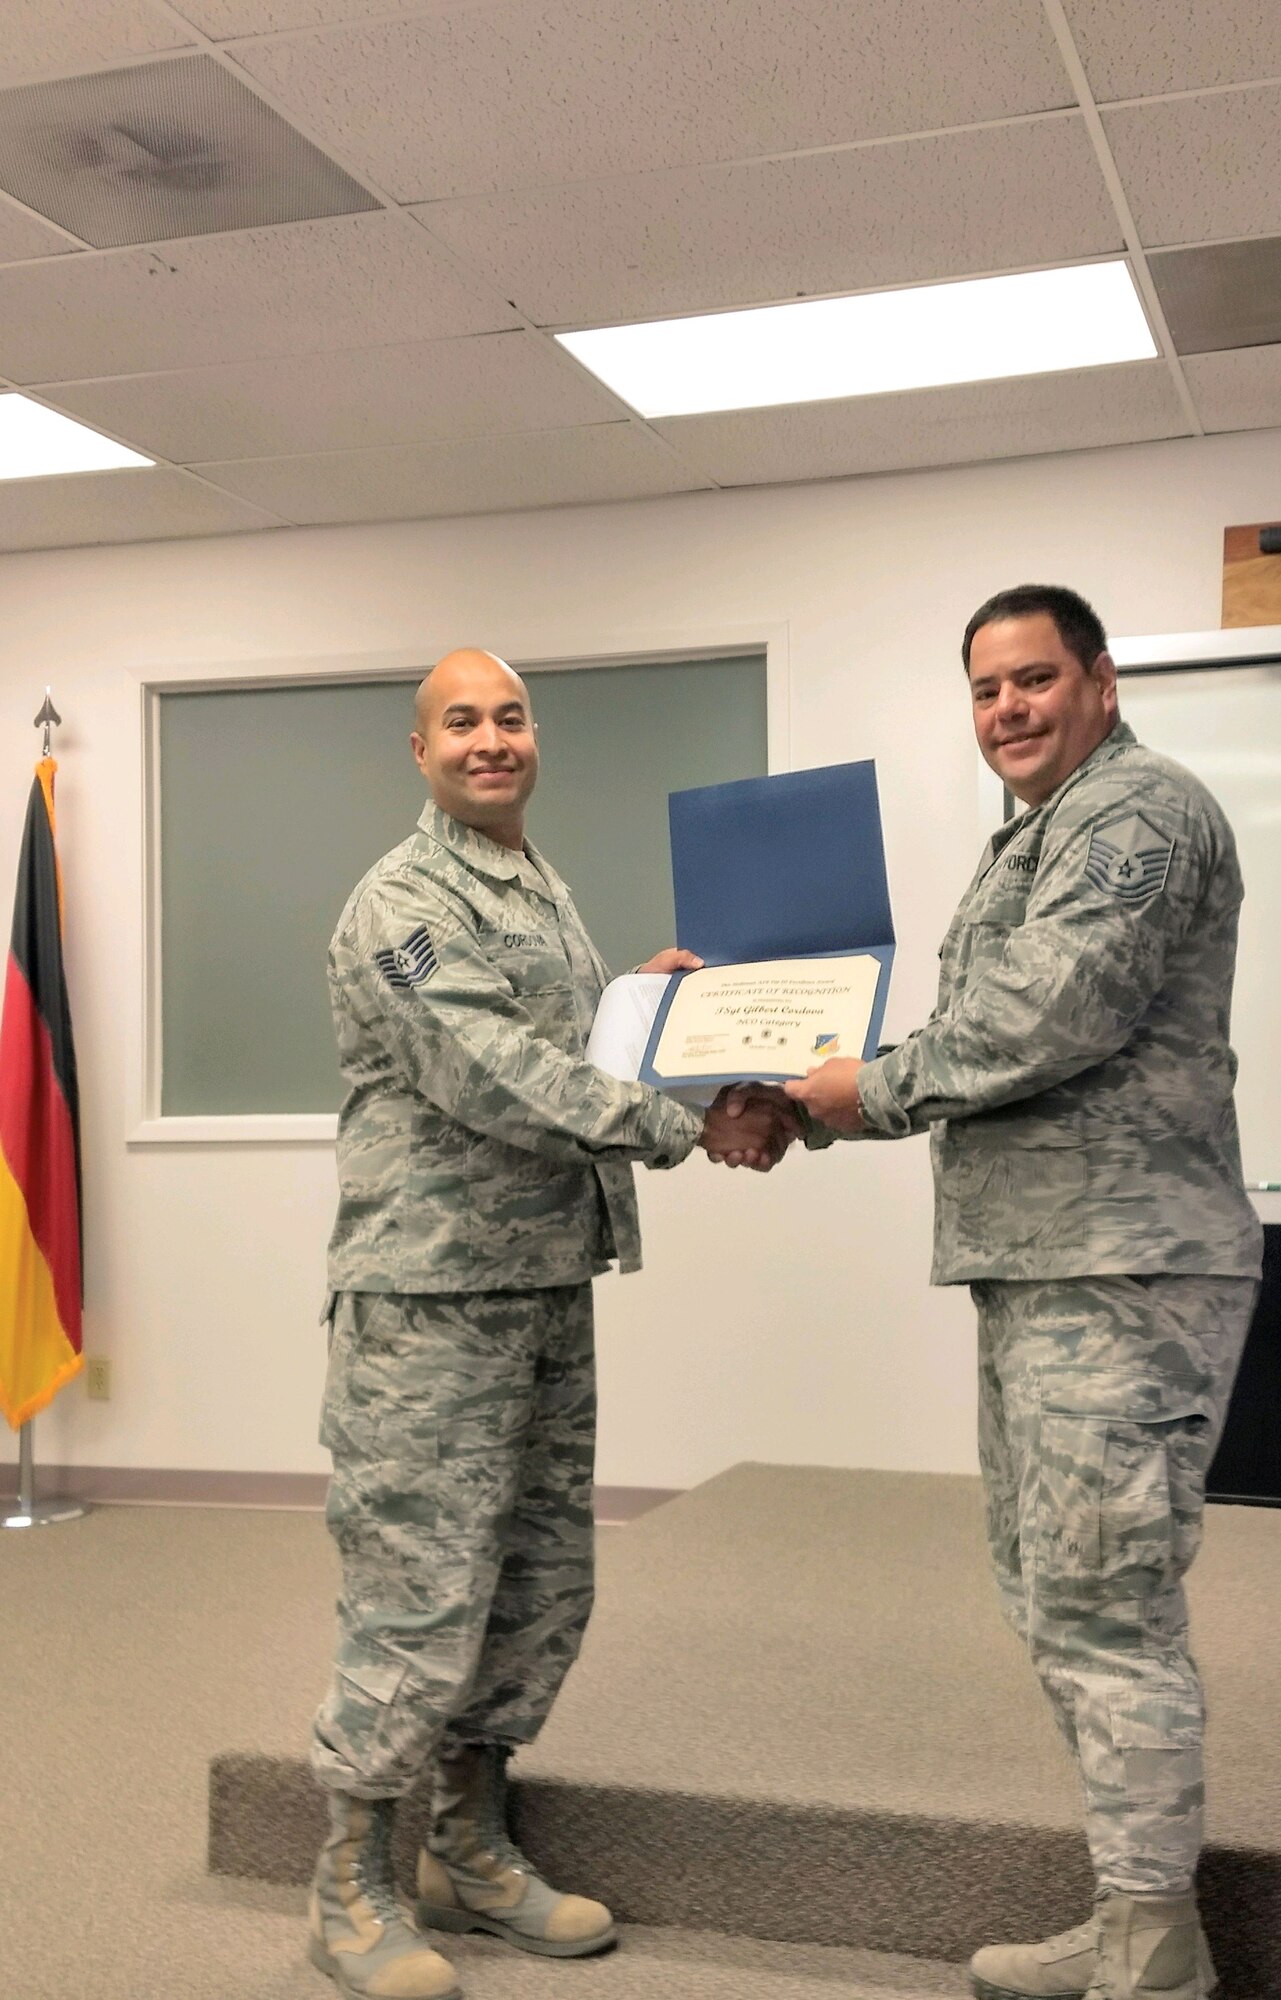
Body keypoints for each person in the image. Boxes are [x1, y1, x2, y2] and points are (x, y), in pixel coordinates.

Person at [786, 586, 1263, 2000]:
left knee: (1108, 1607)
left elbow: (1045, 1015)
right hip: (1049, 1266)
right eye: (987, 689)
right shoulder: (1034, 839)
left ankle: (1155, 1954)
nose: (1009, 709)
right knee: (1061, 1595)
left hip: (1124, 1272)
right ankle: (1132, 1916)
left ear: (1101, 681)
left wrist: (850, 1095)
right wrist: (785, 1068)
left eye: (1036, 679)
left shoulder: (1140, 817)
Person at [307, 647, 793, 2000]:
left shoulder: (534, 888)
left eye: (510, 717)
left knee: (533, 1585)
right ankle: (349, 1883)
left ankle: (469, 1844)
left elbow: (561, 1041)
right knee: (417, 1595)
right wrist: (695, 1123)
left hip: (539, 1290)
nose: (490, 738)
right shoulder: (404, 900)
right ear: (420, 751)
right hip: (431, 1308)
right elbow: (494, 1071)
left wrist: (643, 1008)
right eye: (460, 720)